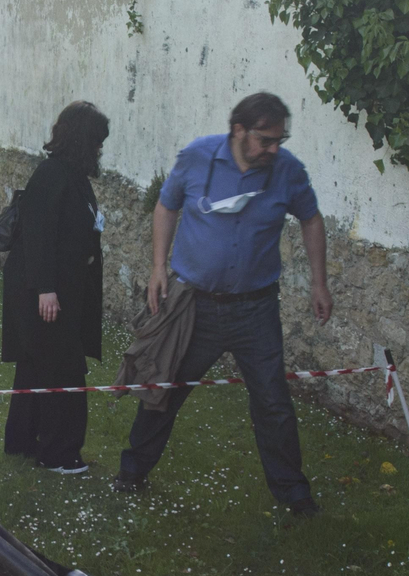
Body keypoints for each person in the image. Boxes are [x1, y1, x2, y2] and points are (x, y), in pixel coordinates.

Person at [114, 91, 331, 515]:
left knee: (273, 402)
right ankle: (132, 471)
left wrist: (319, 283)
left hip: (257, 310)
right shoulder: (197, 157)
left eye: (279, 141)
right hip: (196, 306)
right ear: (239, 130)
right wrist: (159, 267)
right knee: (165, 391)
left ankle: (294, 495)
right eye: (266, 140)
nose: (274, 149)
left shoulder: (287, 171)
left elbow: (311, 218)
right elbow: (166, 205)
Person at [1, 101, 110, 475]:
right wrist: (46, 290)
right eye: (96, 142)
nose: (99, 150)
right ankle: (59, 454)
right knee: (63, 369)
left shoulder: (73, 176)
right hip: (44, 292)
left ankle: (22, 441)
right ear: (83, 141)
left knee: (36, 366)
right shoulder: (52, 174)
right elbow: (38, 235)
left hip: (59, 289)